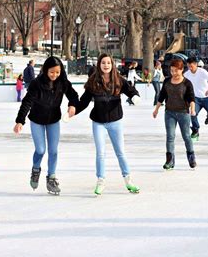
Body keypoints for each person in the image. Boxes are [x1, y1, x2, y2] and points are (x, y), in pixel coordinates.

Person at [75, 54, 140, 195]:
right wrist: (72, 111)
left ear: (112, 65)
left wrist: (134, 96)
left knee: (120, 152)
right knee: (100, 153)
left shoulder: (119, 80)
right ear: (99, 65)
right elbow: (84, 101)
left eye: (108, 63)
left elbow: (130, 90)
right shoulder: (93, 82)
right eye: (103, 63)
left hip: (115, 121)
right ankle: (101, 180)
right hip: (98, 122)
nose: (106, 65)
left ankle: (128, 180)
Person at [14, 56, 78, 195]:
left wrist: (72, 105)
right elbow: (27, 102)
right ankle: (36, 170)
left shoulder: (63, 83)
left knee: (53, 151)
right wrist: (20, 121)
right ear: (45, 71)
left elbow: (73, 95)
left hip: (53, 120)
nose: (55, 75)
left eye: (57, 72)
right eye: (52, 72)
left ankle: (51, 178)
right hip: (36, 120)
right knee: (41, 150)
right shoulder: (37, 84)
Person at [153, 58, 196, 170]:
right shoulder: (167, 81)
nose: (174, 73)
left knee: (186, 136)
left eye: (176, 70)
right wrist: (156, 109)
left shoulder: (187, 83)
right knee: (170, 136)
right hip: (169, 113)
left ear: (181, 70)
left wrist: (192, 109)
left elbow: (191, 97)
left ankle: (191, 157)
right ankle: (170, 160)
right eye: (172, 70)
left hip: (183, 113)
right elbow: (161, 96)